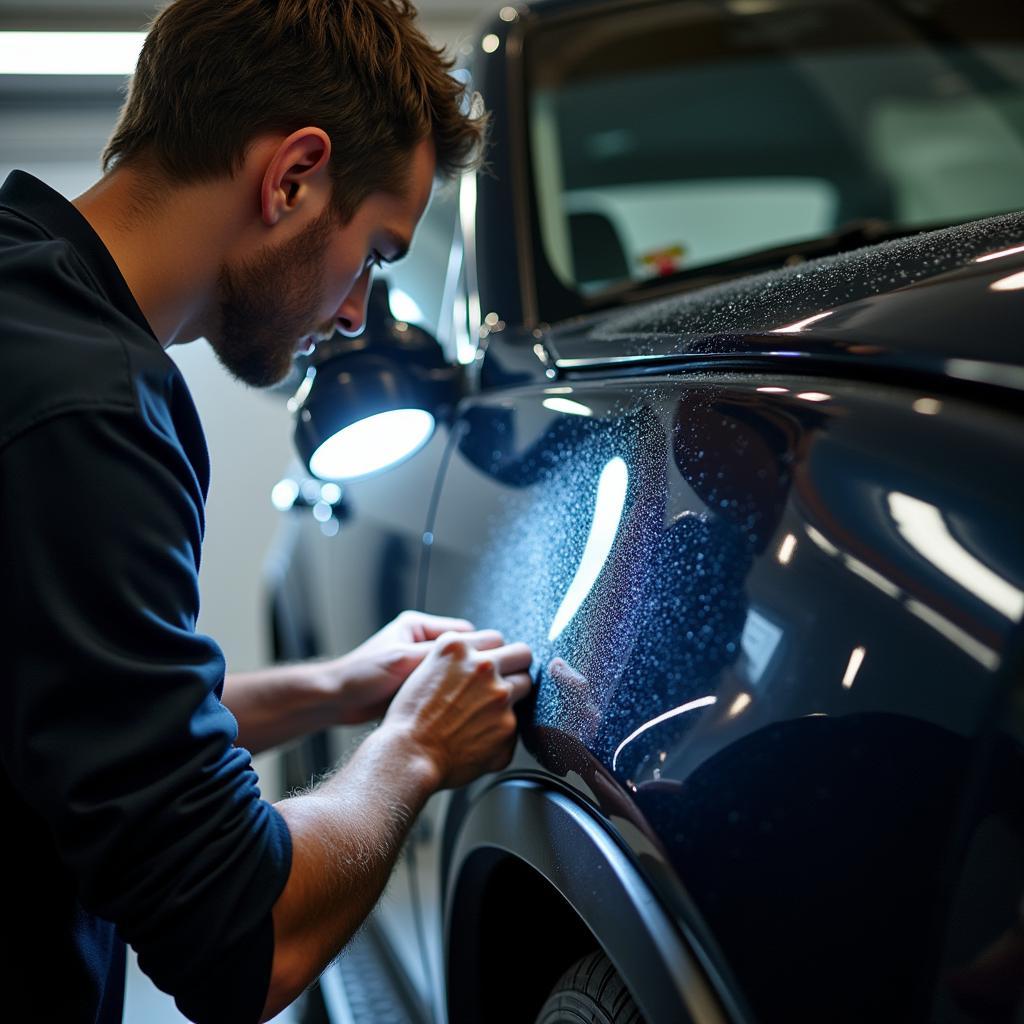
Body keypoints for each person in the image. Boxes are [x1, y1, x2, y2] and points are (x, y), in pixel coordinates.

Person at [0, 1, 533, 1022]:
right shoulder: (85, 411)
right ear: (291, 177)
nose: (352, 315)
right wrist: (412, 747)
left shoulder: (27, 307)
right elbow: (244, 937)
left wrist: (340, 687)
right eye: (376, 255)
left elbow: (70, 714)